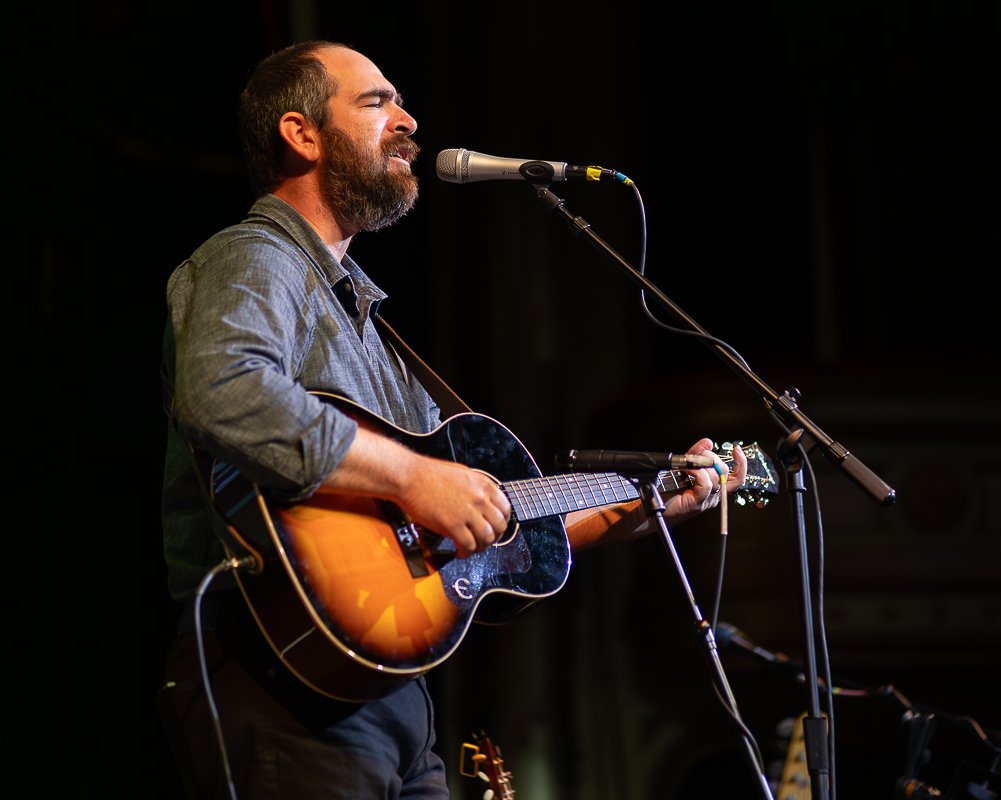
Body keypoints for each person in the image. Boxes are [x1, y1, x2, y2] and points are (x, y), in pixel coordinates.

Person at [157, 39, 747, 800]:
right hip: (279, 668)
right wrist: (412, 477)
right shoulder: (255, 256)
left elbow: (489, 522)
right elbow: (223, 388)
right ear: (301, 134)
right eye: (377, 102)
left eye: (402, 102)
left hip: (391, 690)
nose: (408, 120)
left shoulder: (370, 327)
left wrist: (651, 504)